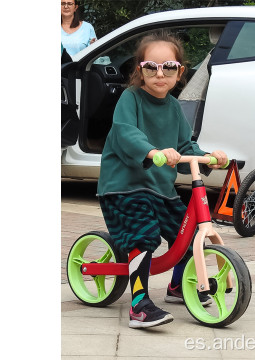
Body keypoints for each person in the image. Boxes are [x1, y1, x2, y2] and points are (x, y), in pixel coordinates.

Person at [97, 32, 228, 329]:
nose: (160, 73)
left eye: (168, 67)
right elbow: (126, 134)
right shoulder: (130, 99)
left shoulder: (174, 108)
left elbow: (186, 147)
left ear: (179, 72)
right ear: (139, 70)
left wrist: (209, 156)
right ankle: (139, 305)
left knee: (188, 231)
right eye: (151, 67)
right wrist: (153, 151)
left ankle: (178, 286)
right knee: (144, 235)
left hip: (160, 189)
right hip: (124, 188)